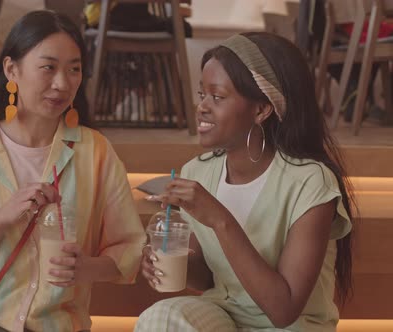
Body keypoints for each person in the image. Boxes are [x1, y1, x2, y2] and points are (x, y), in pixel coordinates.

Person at [0, 10, 145, 332]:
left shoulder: (95, 153)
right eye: (48, 67)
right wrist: (1, 219)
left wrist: (87, 268)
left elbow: (129, 249)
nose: (62, 83)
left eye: (74, 69)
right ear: (11, 69)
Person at [136, 32, 355, 331]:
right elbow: (208, 278)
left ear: (262, 109)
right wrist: (173, 263)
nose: (202, 107)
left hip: (292, 326)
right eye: (202, 94)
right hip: (225, 314)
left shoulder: (310, 182)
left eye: (218, 96)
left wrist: (220, 219)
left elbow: (284, 309)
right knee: (161, 319)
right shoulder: (198, 172)